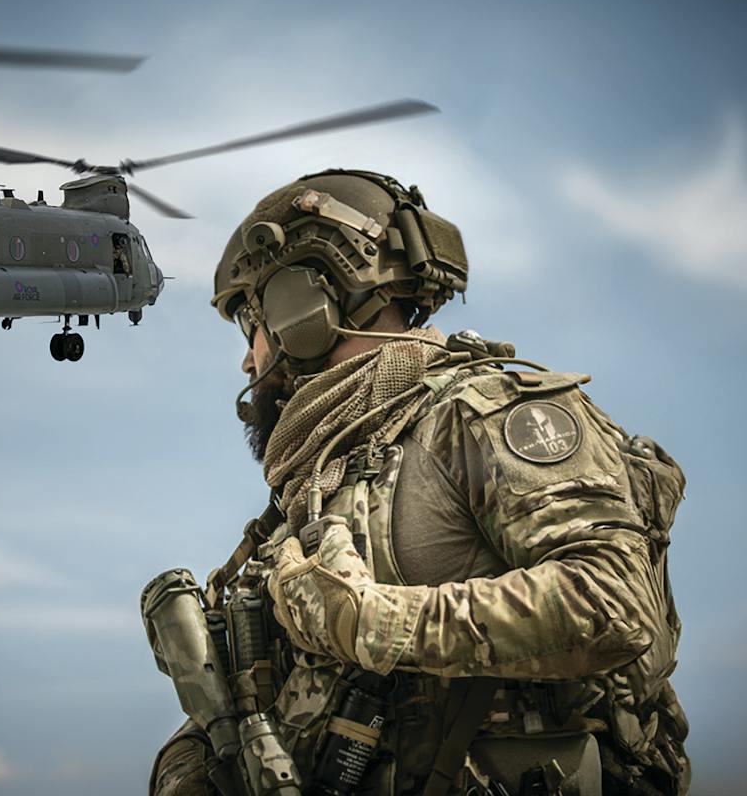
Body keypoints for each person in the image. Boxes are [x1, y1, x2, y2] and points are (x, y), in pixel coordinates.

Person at [148, 170, 689, 796]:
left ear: (307, 302)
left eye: (253, 319)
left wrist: (373, 623)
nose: (248, 358)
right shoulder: (326, 477)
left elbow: (615, 605)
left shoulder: (479, 413)